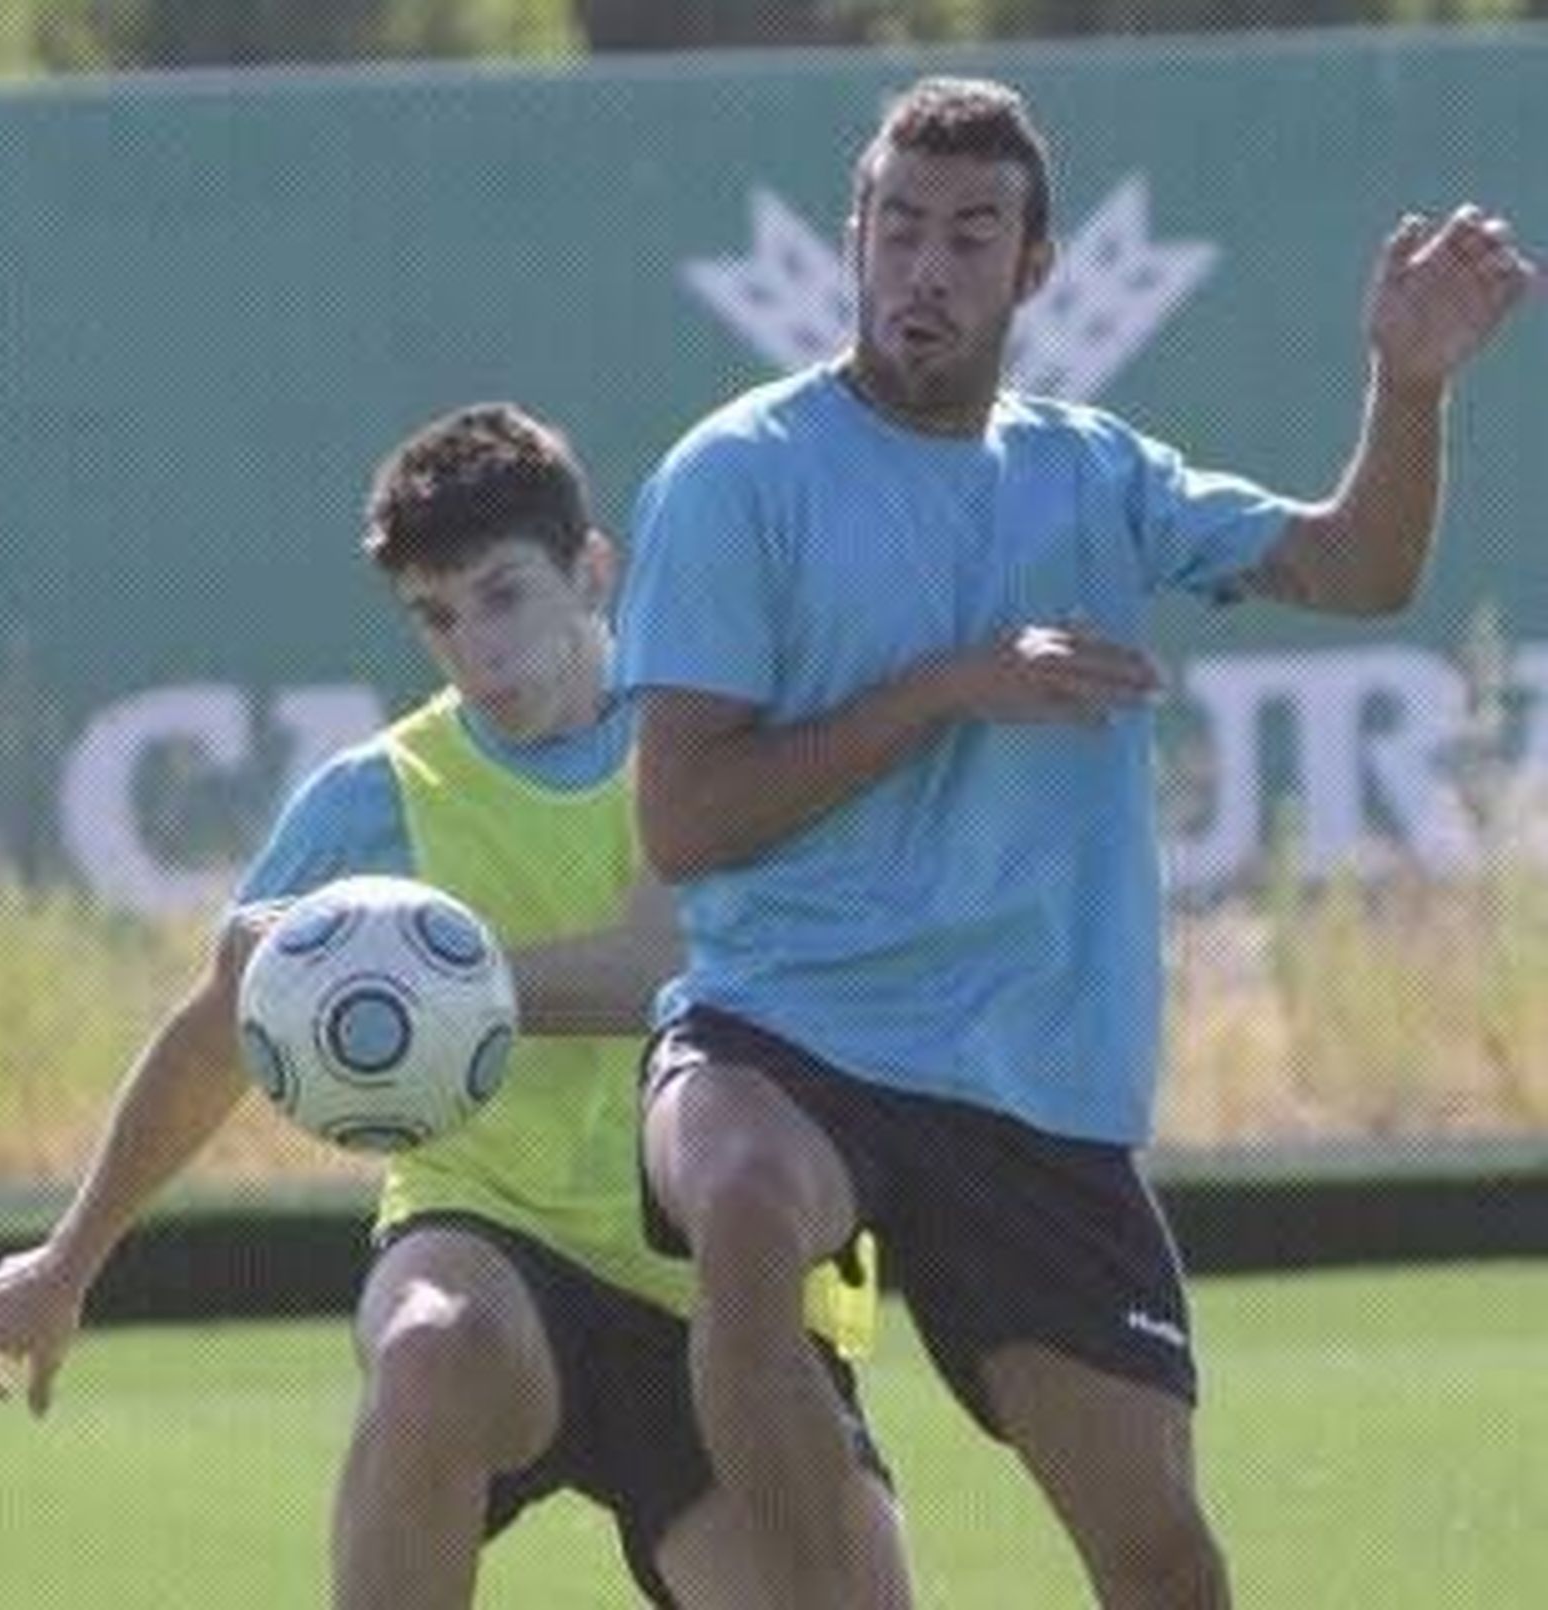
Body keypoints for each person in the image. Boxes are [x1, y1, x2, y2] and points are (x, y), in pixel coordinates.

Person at [613, 76, 1538, 1610]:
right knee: (740, 1201)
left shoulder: (1099, 472)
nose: (925, 266)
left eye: (972, 235)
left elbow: (1362, 569)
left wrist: (1412, 390)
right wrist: (950, 688)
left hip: (1029, 1078)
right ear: (852, 239)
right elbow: (686, 820)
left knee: (1165, 1562)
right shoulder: (736, 476)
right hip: (785, 1025)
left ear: (1036, 268)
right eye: (897, 227)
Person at [0, 403, 910, 1610]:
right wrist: (68, 1255)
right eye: (436, 615)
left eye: (505, 595)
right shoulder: (375, 797)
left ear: (593, 570)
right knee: (427, 1346)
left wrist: (418, 985)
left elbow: (670, 967)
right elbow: (223, 1028)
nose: (477, 650)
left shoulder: (709, 733)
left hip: (728, 1283)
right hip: (489, 1235)